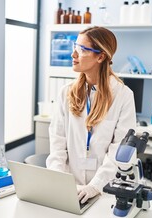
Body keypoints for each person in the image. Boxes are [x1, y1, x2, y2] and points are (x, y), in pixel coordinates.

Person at [46, 26, 137, 204]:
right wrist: (60, 182)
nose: (73, 54)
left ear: (100, 56)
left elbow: (119, 150)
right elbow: (57, 143)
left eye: (81, 49)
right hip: (70, 190)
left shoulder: (123, 95)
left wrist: (95, 186)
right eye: (75, 46)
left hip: (106, 190)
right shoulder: (67, 92)